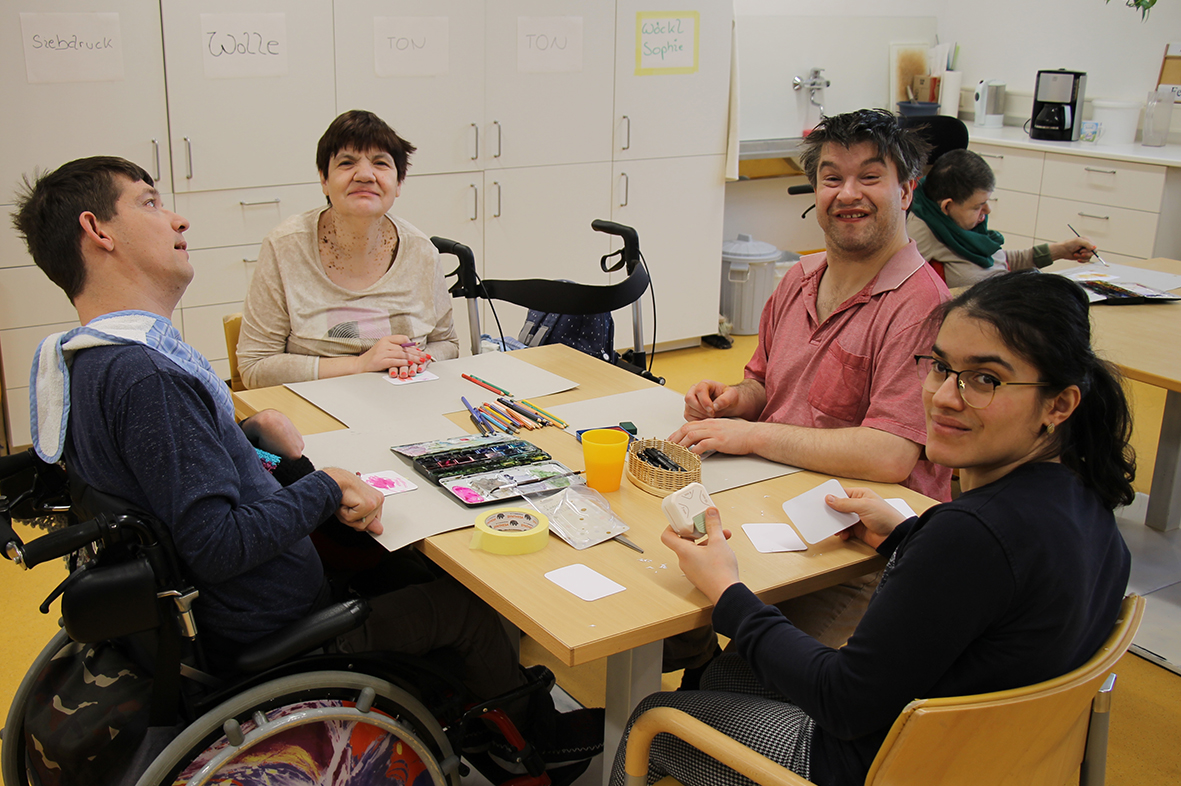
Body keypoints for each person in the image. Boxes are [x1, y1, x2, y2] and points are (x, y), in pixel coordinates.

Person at [12, 156, 599, 780]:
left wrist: (251, 438)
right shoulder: (148, 378)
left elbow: (169, 480)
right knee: (467, 605)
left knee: (407, 558)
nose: (178, 219)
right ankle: (524, 751)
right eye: (150, 203)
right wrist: (325, 485)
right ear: (97, 231)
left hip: (210, 614)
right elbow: (216, 542)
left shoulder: (88, 361)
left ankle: (480, 712)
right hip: (268, 630)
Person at [612, 270, 1133, 786]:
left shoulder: (971, 536)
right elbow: (990, 592)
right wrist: (907, 535)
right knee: (729, 675)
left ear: (1059, 404)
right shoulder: (1088, 502)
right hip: (991, 756)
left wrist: (727, 590)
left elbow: (842, 701)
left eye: (985, 380)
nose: (944, 397)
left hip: (876, 764)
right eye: (941, 367)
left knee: (653, 719)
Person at [665, 109, 952, 661]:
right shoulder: (799, 279)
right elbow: (763, 383)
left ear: (906, 190)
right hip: (775, 506)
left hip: (864, 552)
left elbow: (891, 454)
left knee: (759, 671)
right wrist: (736, 401)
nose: (848, 193)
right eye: (831, 177)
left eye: (870, 177)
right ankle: (700, 673)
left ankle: (715, 690)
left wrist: (752, 435)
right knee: (663, 596)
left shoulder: (922, 307)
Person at [237, 109, 459, 389]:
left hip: (404, 401)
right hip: (313, 406)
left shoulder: (421, 251)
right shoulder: (285, 247)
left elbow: (446, 343)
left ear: (399, 183)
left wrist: (417, 359)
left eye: (380, 163)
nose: (365, 175)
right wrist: (360, 365)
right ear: (324, 180)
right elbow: (254, 367)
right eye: (346, 163)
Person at [907, 148, 1095, 288]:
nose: (987, 210)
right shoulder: (921, 231)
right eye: (978, 206)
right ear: (947, 206)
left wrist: (1060, 250)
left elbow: (997, 261)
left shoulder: (961, 224)